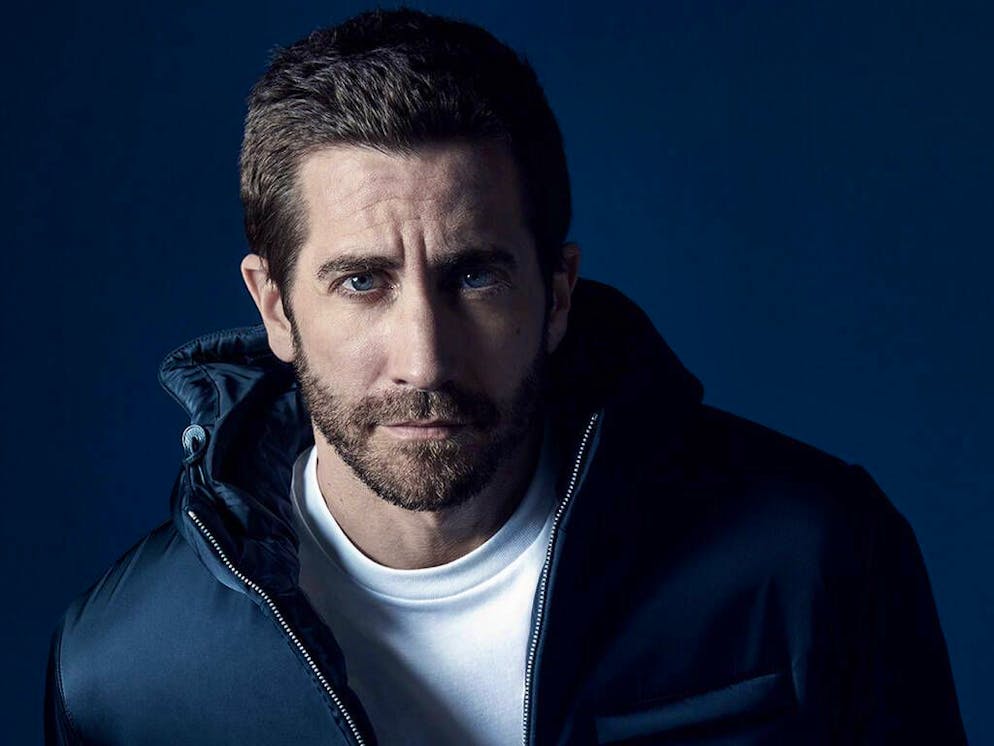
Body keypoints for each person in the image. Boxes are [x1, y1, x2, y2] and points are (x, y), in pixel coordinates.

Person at [45, 8, 966, 745]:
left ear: (557, 294)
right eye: (362, 282)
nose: (425, 359)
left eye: (474, 277)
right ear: (275, 308)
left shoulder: (810, 560)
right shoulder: (122, 674)